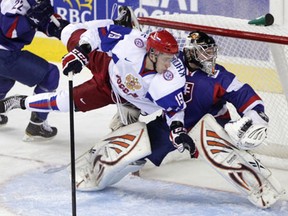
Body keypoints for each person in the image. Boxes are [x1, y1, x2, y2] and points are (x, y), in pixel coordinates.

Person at [0, 6, 197, 157]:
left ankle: (20, 102)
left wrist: (177, 130)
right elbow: (97, 34)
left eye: (171, 59)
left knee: (62, 102)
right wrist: (81, 53)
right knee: (71, 33)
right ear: (152, 53)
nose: (169, 64)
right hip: (107, 65)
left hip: (114, 95)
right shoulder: (132, 42)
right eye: (166, 58)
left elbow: (174, 110)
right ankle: (108, 23)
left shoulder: (170, 79)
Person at [0, 0, 69, 140]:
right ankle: (37, 124)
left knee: (6, 79)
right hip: (4, 54)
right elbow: (10, 29)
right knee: (50, 74)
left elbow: (42, 18)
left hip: (4, 53)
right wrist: (31, 19)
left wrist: (58, 28)